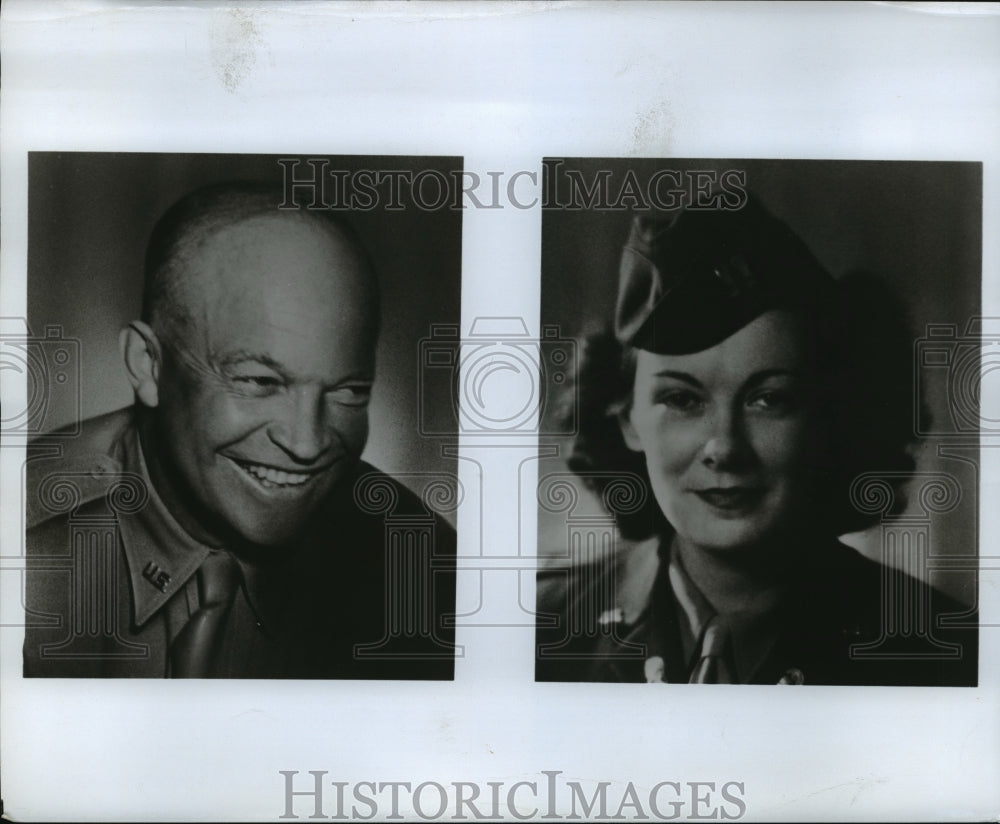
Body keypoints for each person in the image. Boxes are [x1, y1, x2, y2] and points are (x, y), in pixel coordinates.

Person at [535, 195, 977, 686]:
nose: (724, 447)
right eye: (683, 400)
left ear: (827, 417)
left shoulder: (947, 650)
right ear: (627, 420)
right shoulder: (534, 629)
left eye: (769, 400)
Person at [24, 182, 456, 679]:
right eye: (259, 381)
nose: (306, 443)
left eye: (348, 392)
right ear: (147, 365)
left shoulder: (419, 567)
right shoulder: (22, 549)